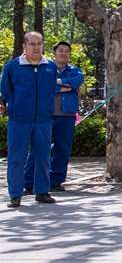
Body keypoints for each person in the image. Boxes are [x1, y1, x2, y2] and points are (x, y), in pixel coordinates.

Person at [0, 32, 58, 208]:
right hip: (19, 120)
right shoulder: (12, 66)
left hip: (43, 119)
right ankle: (15, 195)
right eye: (32, 44)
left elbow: (51, 89)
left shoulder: (50, 66)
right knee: (16, 157)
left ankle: (42, 191)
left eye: (39, 43)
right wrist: (17, 105)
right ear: (24, 46)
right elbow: (6, 90)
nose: (36, 47)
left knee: (43, 156)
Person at [24, 41, 84, 195]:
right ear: (54, 53)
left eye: (67, 51)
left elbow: (77, 82)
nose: (64, 53)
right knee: (38, 148)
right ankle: (29, 182)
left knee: (62, 149)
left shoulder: (74, 70)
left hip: (67, 115)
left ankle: (55, 181)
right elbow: (41, 85)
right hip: (46, 115)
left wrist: (59, 83)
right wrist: (67, 87)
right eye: (60, 50)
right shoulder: (45, 69)